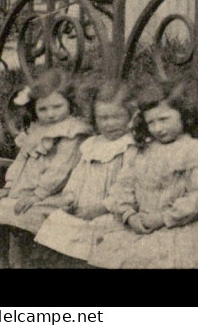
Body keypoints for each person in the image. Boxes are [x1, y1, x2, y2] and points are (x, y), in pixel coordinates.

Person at [79, 80, 198, 269]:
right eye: (151, 122)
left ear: (183, 116)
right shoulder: (142, 149)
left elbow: (197, 199)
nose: (158, 128)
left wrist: (161, 218)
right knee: (108, 248)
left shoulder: (195, 152)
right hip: (142, 221)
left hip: (181, 225)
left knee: (151, 257)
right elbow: (124, 186)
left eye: (164, 119)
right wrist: (129, 215)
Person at [0, 69, 91, 265]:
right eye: (43, 109)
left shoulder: (71, 132)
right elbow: (21, 161)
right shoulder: (37, 130)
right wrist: (9, 187)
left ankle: (31, 259)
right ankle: (0, 257)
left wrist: (37, 194)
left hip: (53, 193)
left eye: (57, 107)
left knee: (28, 216)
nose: (51, 114)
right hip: (25, 191)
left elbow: (61, 170)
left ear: (70, 105)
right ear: (35, 110)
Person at [33, 80, 136, 264]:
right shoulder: (92, 144)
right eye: (103, 118)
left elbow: (127, 185)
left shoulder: (129, 146)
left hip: (110, 210)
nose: (109, 124)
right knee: (58, 226)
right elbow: (78, 176)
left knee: (97, 241)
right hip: (82, 207)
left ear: (130, 117)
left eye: (116, 117)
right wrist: (69, 197)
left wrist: (103, 207)